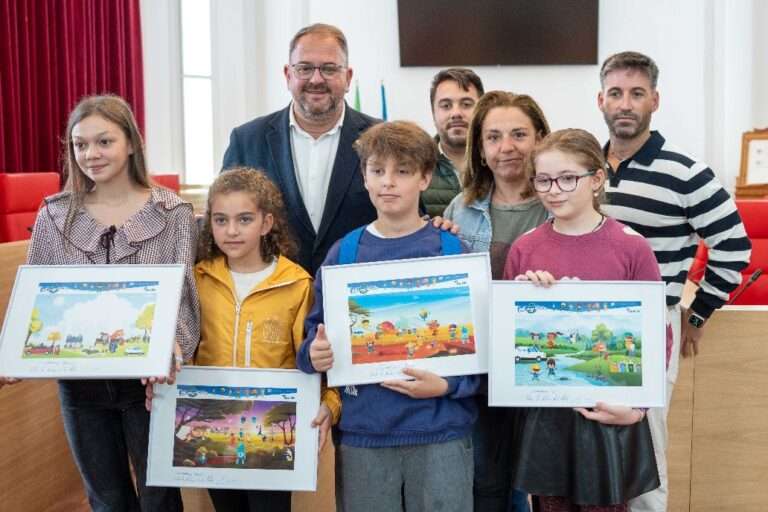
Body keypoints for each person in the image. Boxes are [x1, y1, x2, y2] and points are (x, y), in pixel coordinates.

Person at [23, 95, 200, 511]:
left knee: (159, 499)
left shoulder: (172, 212)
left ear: (132, 144)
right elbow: (34, 298)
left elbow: (183, 297)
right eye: (80, 145)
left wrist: (175, 350)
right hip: (79, 385)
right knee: (106, 499)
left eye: (104, 142)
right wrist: (15, 350)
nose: (91, 154)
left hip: (146, 384)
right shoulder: (53, 214)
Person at [296, 121, 480, 512]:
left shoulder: (452, 251)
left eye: (403, 171)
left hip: (440, 430)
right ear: (364, 177)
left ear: (426, 178)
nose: (388, 182)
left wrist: (448, 386)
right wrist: (314, 353)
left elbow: (481, 348)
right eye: (377, 171)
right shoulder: (343, 254)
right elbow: (314, 334)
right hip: (365, 431)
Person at [597, 51, 751, 512]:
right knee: (587, 450)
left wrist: (698, 312)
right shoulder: (583, 168)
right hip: (584, 325)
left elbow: (733, 248)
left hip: (648, 326)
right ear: (600, 100)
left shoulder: (686, 173)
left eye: (637, 94)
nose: (626, 104)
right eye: (616, 93)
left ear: (655, 101)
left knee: (644, 453)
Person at [503, 128, 667, 511]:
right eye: (543, 180)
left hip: (609, 414)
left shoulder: (631, 247)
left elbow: (658, 337)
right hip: (547, 420)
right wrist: (526, 302)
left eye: (567, 178)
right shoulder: (525, 249)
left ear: (596, 179)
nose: (554, 189)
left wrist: (637, 408)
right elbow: (510, 342)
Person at [193, 168, 341, 512]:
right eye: (220, 220)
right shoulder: (198, 280)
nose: (231, 230)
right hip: (212, 429)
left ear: (266, 222)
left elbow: (314, 357)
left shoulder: (297, 284)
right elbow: (186, 353)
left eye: (244, 219)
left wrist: (329, 405)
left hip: (272, 432)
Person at [444, 90, 551, 512]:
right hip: (482, 367)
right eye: (493, 137)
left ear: (541, 138)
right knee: (487, 481)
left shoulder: (560, 203)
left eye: (519, 134)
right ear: (481, 150)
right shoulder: (462, 208)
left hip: (541, 364)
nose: (507, 147)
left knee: (541, 483)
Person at [221, 23, 378, 274]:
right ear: (288, 75)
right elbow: (223, 218)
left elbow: (409, 219)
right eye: (304, 68)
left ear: (348, 78)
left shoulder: (381, 139)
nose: (316, 79)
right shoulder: (247, 140)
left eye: (329, 69)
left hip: (359, 298)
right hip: (272, 298)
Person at [421, 68, 484, 216]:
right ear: (433, 113)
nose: (456, 113)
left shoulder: (499, 163)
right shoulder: (415, 164)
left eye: (466, 104)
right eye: (446, 106)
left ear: (482, 110)